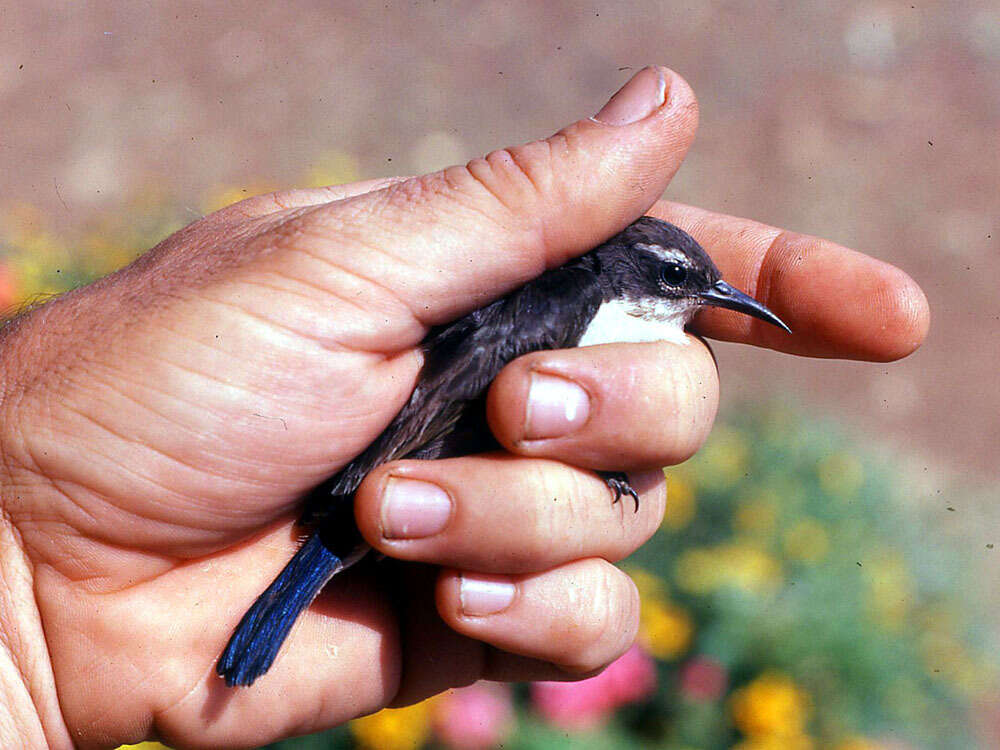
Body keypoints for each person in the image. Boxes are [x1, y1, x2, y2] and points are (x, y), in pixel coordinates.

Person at [0, 66, 928, 749]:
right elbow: (464, 407)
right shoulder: (568, 303)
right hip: (388, 482)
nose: (708, 302)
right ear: (635, 276)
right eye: (683, 286)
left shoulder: (595, 315)